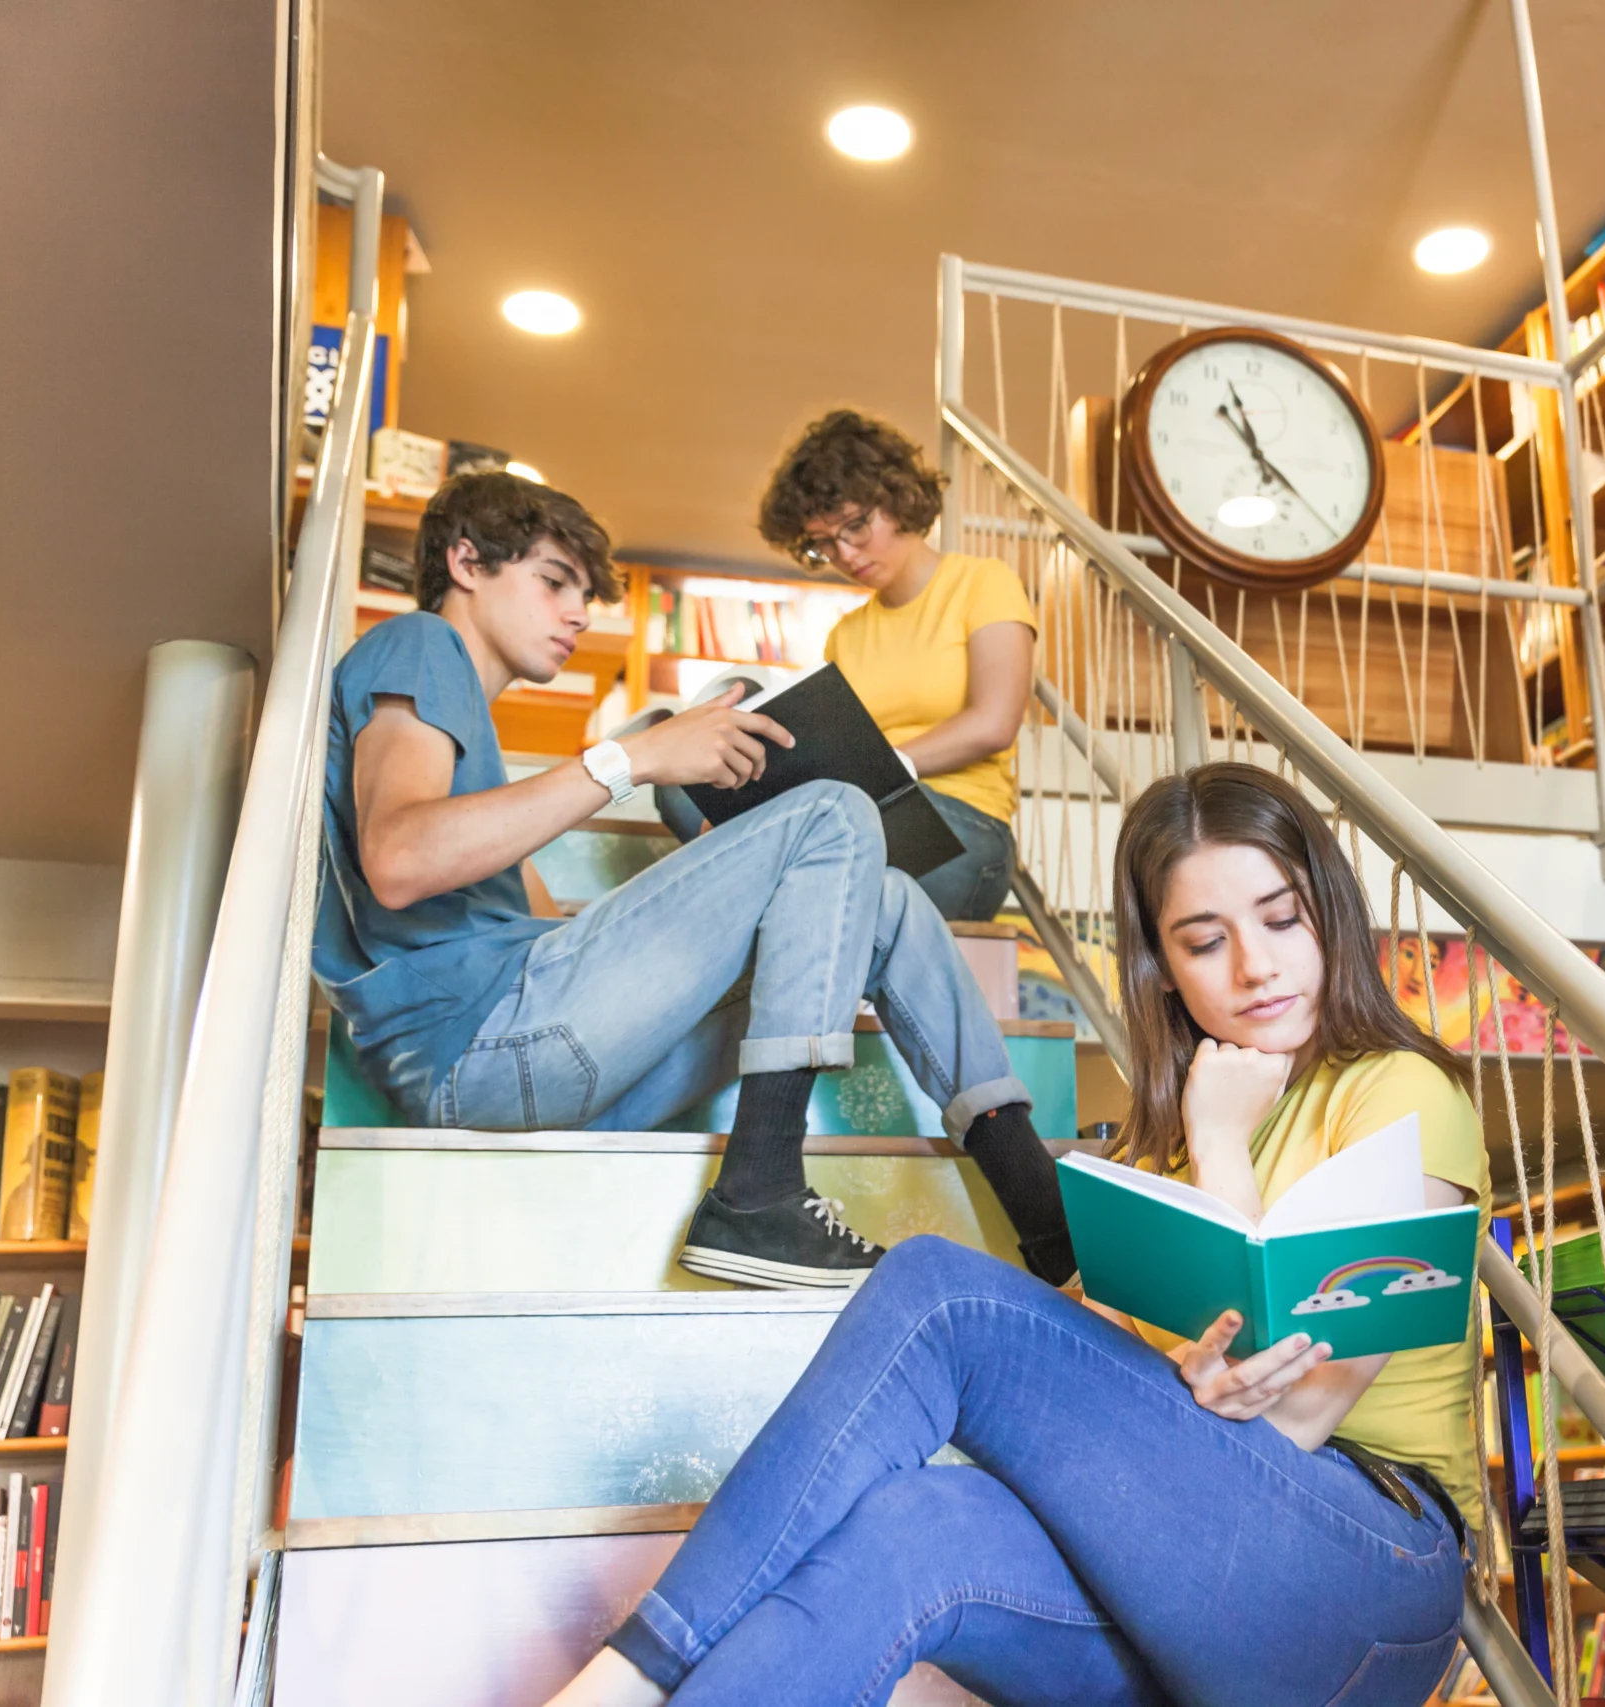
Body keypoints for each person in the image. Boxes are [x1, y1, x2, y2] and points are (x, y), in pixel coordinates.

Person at [543, 762, 1489, 1707]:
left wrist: (1219, 1141)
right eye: (1206, 941)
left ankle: (626, 1678)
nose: (1256, 966)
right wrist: (1167, 1362)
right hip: (1189, 1589)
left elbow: (1294, 1421)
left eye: (1283, 919)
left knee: (942, 1295)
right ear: (1163, 970)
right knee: (911, 1529)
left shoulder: (1403, 1093)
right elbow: (1085, 1383)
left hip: (1368, 1585)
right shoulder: (1153, 1150)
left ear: (1331, 914)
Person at [313, 471, 1073, 1288]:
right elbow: (400, 860)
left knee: (882, 897)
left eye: (585, 594)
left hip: (548, 1060)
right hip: (486, 1049)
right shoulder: (419, 643)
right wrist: (631, 757)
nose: (579, 612)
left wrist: (741, 871)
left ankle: (1049, 1223)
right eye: (554, 582)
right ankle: (761, 1185)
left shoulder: (476, 755)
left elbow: (557, 941)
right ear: (466, 562)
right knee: (832, 808)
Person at [756, 409, 1032, 923]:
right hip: (859, 814)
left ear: (897, 496)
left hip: (961, 826)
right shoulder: (844, 636)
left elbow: (995, 724)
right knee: (685, 798)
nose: (844, 554)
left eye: (855, 526)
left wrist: (885, 767)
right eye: (823, 544)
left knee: (800, 841)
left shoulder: (983, 583)